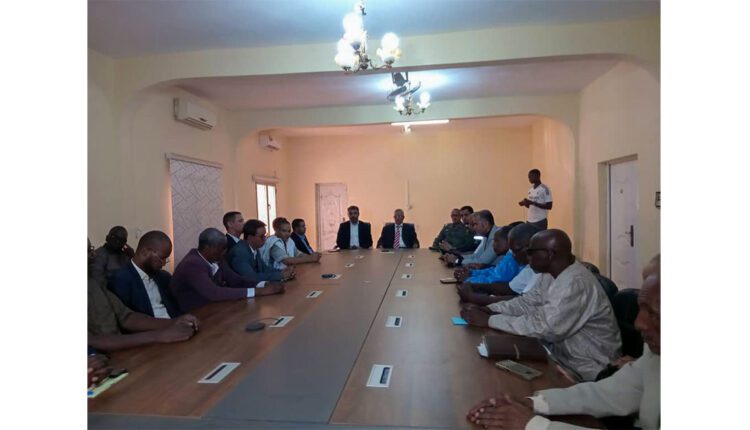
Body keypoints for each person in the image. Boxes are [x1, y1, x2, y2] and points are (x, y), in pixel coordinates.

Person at [467, 254, 660, 430]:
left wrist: (532, 425)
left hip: (584, 366)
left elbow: (547, 327)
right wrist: (534, 402)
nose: (639, 323)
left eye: (654, 313)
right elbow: (611, 393)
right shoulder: (655, 354)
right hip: (564, 360)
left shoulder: (575, 282)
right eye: (641, 309)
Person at [460, 229, 621, 381]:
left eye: (531, 252)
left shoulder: (574, 283)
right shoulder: (551, 273)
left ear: (550, 254)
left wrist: (489, 320)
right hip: (559, 356)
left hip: (586, 369)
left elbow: (545, 327)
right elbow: (527, 303)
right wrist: (489, 310)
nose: (527, 258)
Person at [88, 239, 200, 352]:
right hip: (103, 357)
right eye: (87, 251)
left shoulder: (93, 284)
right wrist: (159, 335)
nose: (94, 255)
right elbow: (93, 341)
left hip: (123, 351)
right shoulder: (120, 278)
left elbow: (127, 318)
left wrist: (174, 322)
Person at [171, 228, 284, 313]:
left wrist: (262, 284)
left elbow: (235, 280)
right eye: (220, 249)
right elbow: (213, 293)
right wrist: (258, 291)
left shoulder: (216, 258)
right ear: (207, 247)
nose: (224, 252)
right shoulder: (192, 264)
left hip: (216, 308)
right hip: (196, 313)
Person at [456, 223, 550, 306]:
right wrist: (474, 282)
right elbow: (510, 287)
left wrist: (473, 290)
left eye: (515, 251)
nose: (513, 255)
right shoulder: (530, 266)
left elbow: (523, 302)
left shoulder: (541, 271)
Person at [109, 230, 181, 319]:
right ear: (145, 252)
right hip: (151, 326)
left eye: (166, 259)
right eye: (162, 258)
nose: (164, 263)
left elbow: (176, 308)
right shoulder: (121, 280)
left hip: (175, 323)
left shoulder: (164, 277)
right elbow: (127, 319)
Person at [454, 222, 525, 283]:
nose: (493, 245)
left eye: (497, 241)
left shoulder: (511, 258)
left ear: (509, 241)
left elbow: (495, 280)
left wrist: (468, 279)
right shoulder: (508, 256)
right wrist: (471, 273)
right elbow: (494, 271)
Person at [228, 219, 295, 283]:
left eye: (265, 235)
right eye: (262, 236)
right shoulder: (240, 253)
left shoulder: (255, 247)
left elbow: (264, 269)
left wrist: (282, 271)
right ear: (250, 237)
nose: (265, 239)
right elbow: (251, 277)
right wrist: (281, 275)